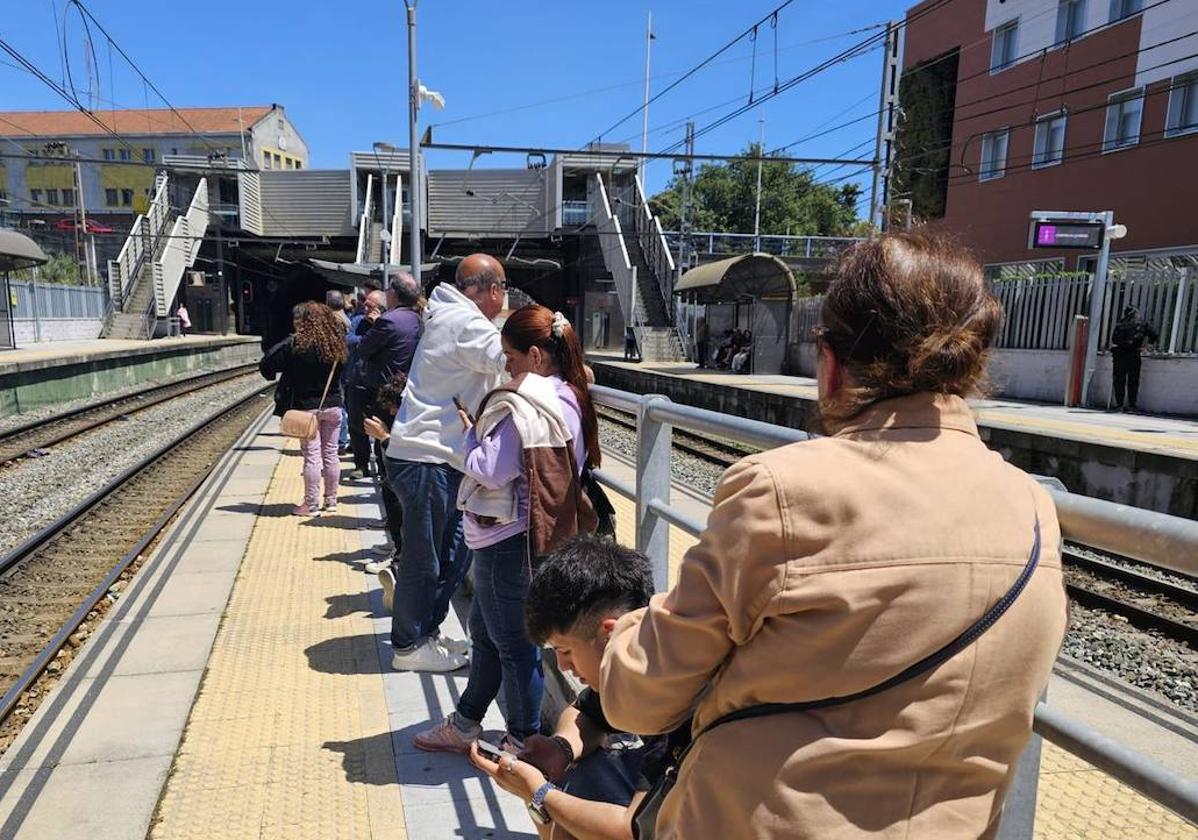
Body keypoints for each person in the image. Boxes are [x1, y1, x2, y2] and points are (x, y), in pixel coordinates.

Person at [599, 232, 1068, 839]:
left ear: (829, 362)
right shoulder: (1034, 508)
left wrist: (629, 635)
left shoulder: (782, 489)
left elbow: (642, 698)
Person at [413, 305, 599, 754]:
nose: (507, 368)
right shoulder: (571, 395)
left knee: (515, 647)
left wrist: (471, 436)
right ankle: (466, 722)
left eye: (511, 358)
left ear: (536, 356)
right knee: (488, 634)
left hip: (505, 540)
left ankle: (521, 741)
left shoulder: (524, 406)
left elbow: (493, 470)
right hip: (536, 535)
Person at [468, 535, 684, 840]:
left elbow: (631, 830)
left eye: (565, 650)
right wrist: (561, 749)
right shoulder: (642, 661)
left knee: (568, 798)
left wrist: (537, 793)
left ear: (610, 633)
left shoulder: (678, 699)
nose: (563, 666)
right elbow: (585, 711)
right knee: (579, 774)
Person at [381, 253, 509, 673]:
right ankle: (409, 645)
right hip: (427, 459)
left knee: (453, 554)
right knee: (427, 559)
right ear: (493, 290)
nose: (504, 298)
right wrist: (559, 338)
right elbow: (508, 358)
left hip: (438, 459)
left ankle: (424, 634)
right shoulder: (464, 322)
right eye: (503, 289)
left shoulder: (453, 318)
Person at [259, 302, 348, 516]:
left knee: (312, 457)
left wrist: (291, 338)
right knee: (331, 453)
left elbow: (268, 363)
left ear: (305, 321)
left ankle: (311, 504)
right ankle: (332, 500)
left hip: (307, 409)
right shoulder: (336, 343)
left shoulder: (297, 344)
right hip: (334, 405)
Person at [1110, 305, 1158, 413]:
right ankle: (1132, 405)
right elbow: (1154, 334)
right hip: (1134, 353)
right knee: (1133, 380)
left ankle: (1119, 405)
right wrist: (1148, 346)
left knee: (1119, 380)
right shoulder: (1141, 322)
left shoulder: (1121, 323)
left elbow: (1114, 339)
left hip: (1120, 354)